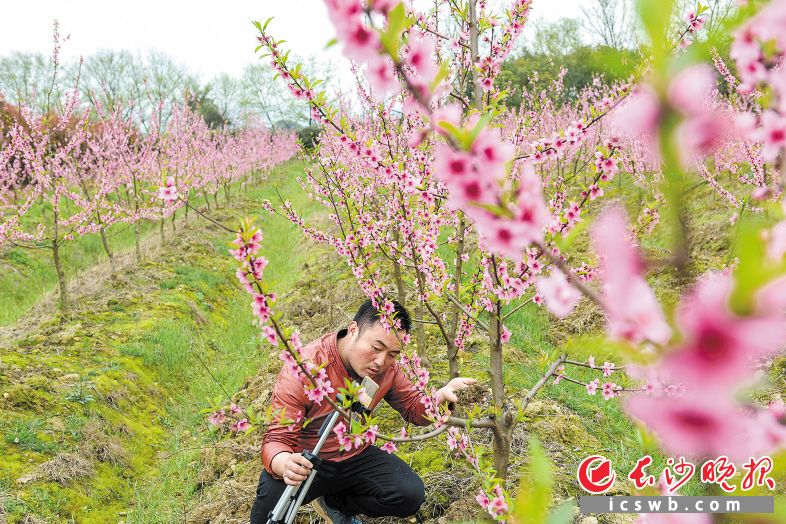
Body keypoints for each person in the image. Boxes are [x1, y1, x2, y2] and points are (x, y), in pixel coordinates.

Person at [249, 298, 477, 524]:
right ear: (353, 329)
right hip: (307, 461)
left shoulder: (388, 370)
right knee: (265, 517)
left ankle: (335, 505)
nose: (381, 361)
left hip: (355, 455)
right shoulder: (306, 369)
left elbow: (413, 408)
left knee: (409, 494)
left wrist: (440, 398)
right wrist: (284, 462)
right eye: (376, 348)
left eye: (392, 354)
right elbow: (276, 439)